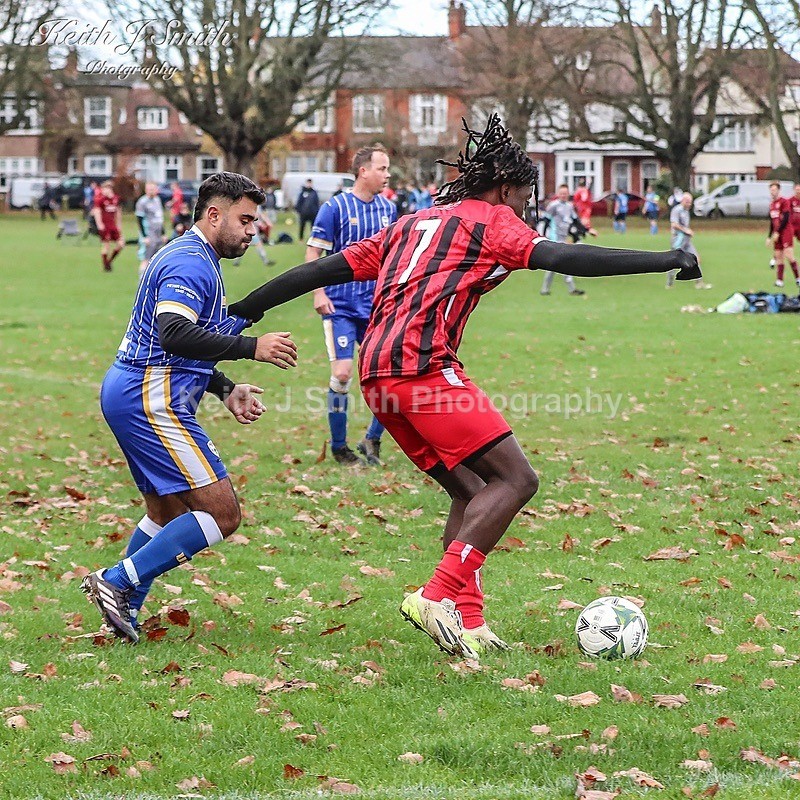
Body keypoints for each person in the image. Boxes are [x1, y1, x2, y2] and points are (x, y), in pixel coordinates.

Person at [229, 115, 700, 659]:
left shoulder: (411, 224)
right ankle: (436, 594)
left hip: (377, 377)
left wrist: (246, 308)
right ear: (505, 189)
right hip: (423, 369)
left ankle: (468, 621)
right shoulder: (493, 223)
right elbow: (568, 258)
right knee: (518, 480)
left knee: (471, 490)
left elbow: (320, 271)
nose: (526, 210)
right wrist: (666, 258)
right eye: (525, 197)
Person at [80, 172, 298, 644]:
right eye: (244, 219)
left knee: (166, 510)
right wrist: (250, 346)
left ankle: (124, 611)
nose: (251, 229)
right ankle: (115, 581)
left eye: (255, 220)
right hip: (149, 399)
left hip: (132, 391)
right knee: (222, 515)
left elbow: (182, 346)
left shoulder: (194, 256)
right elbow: (173, 334)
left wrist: (223, 387)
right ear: (213, 214)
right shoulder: (190, 263)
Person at [307, 145, 397, 466]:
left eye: (387, 169)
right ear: (363, 171)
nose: (387, 175)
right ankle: (339, 447)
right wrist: (319, 293)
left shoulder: (389, 210)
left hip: (377, 306)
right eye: (382, 169)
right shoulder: (334, 208)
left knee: (391, 375)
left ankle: (372, 439)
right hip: (340, 304)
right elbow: (313, 255)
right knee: (343, 374)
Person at [539, 184, 594, 297]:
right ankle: (567, 288)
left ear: (568, 194)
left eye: (565, 193)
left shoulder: (569, 206)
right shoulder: (553, 206)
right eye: (561, 193)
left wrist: (588, 230)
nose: (563, 195)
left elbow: (576, 221)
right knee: (559, 264)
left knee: (556, 265)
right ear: (558, 194)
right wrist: (543, 236)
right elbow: (545, 221)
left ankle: (547, 289)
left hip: (563, 239)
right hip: (554, 238)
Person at [666, 192, 710, 289]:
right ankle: (669, 283)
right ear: (682, 200)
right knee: (673, 261)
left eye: (690, 202)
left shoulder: (686, 211)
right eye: (687, 202)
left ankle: (699, 283)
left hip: (686, 240)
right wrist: (686, 230)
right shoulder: (677, 210)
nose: (689, 204)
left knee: (696, 258)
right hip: (678, 240)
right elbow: (674, 224)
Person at [767, 181, 798, 289]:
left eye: (775, 190)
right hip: (777, 234)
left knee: (789, 256)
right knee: (779, 257)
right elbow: (772, 221)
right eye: (771, 190)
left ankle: (798, 279)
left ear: (779, 190)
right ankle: (779, 281)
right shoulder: (771, 204)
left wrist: (777, 232)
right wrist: (769, 236)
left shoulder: (784, 202)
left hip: (785, 232)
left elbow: (785, 219)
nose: (773, 192)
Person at [135, 182, 166, 276]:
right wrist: (144, 236)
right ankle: (142, 280)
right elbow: (139, 219)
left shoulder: (157, 200)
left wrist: (163, 233)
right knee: (146, 258)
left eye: (153, 189)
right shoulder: (142, 202)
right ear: (146, 190)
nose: (151, 191)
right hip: (149, 234)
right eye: (149, 189)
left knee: (157, 258)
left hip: (158, 234)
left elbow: (160, 218)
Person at [93, 180, 124, 272]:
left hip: (113, 226)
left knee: (121, 244)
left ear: (110, 189)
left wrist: (119, 225)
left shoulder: (116, 199)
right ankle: (106, 265)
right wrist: (99, 224)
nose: (103, 191)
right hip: (105, 226)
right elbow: (96, 212)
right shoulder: (100, 200)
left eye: (105, 189)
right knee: (106, 245)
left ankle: (109, 262)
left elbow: (118, 213)